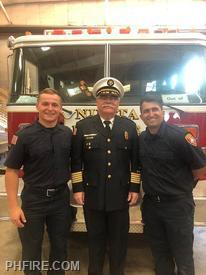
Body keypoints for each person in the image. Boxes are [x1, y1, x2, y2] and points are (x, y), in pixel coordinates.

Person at [71, 77, 141, 275]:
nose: (108, 100)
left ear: (119, 102)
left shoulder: (129, 127)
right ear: (97, 101)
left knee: (119, 242)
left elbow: (135, 162)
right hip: (92, 196)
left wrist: (134, 188)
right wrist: (77, 189)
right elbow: (76, 161)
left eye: (113, 97)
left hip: (120, 196)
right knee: (95, 241)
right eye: (103, 97)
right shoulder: (83, 127)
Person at [5, 88, 72, 275]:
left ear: (60, 108)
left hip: (60, 199)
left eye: (54, 105)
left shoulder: (67, 134)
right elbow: (11, 171)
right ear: (37, 106)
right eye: (45, 104)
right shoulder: (24, 135)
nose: (50, 108)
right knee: (31, 250)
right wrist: (13, 207)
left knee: (60, 248)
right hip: (34, 200)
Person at [139, 94, 206, 275]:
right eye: (146, 111)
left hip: (177, 207)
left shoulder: (180, 136)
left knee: (183, 257)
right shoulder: (141, 140)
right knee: (160, 255)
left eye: (155, 109)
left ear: (162, 112)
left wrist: (182, 188)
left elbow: (200, 169)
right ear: (141, 115)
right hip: (152, 206)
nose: (151, 114)